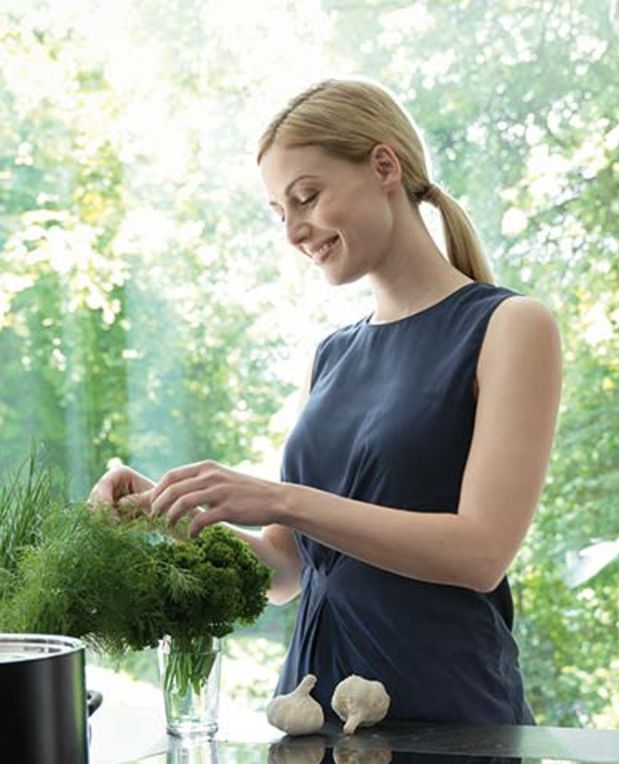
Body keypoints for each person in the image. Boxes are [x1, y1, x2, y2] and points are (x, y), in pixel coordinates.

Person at [89, 78, 561, 726]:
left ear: (385, 166)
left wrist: (281, 498)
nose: (293, 231)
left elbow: (480, 554)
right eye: (279, 212)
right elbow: (286, 570)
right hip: (311, 716)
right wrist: (166, 510)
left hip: (450, 721)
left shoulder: (510, 325)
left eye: (306, 198)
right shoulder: (332, 354)